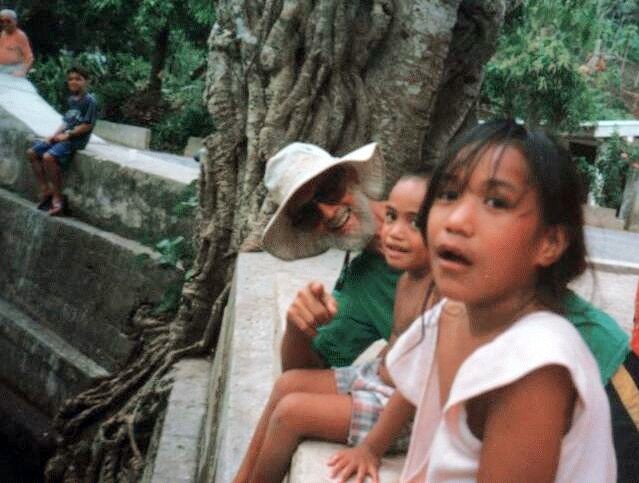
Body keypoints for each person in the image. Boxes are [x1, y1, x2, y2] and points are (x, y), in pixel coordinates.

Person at [385, 119, 615, 481]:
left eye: (496, 202)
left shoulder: (533, 365)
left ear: (549, 243)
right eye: (448, 194)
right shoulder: (451, 314)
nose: (457, 220)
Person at [235, 175, 431, 482]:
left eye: (329, 190)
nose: (327, 212)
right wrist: (298, 327)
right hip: (382, 380)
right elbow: (304, 370)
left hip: (413, 405)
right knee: (288, 386)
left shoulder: (444, 282)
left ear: (354, 179)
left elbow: (420, 378)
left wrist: (371, 448)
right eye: (308, 214)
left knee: (291, 413)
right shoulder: (363, 282)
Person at [26, 65, 98, 216]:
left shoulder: (90, 100)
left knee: (48, 157)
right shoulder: (72, 100)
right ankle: (46, 190)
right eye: (71, 79)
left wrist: (68, 135)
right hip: (63, 137)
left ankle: (58, 197)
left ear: (87, 81)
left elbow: (87, 125)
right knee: (32, 152)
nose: (74, 82)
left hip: (76, 140)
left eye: (78, 79)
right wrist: (53, 136)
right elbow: (66, 122)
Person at [0, 9, 33, 77]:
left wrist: (22, 71)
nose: (5, 24)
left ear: (15, 21)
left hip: (13, 70)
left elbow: (29, 57)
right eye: (2, 21)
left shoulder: (21, 36)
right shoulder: (3, 34)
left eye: (8, 21)